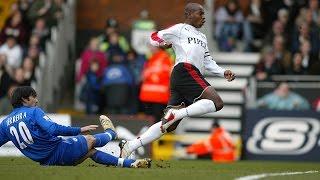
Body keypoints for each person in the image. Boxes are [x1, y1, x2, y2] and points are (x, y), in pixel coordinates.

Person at [119, 2, 236, 158]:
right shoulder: (179, 29)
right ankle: (178, 114)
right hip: (185, 70)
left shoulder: (202, 36)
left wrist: (223, 72)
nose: (203, 17)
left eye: (204, 14)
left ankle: (130, 145)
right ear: (188, 14)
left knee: (168, 126)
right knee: (217, 102)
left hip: (183, 76)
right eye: (200, 13)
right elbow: (154, 37)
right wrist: (163, 44)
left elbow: (208, 61)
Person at [0, 86, 151, 168]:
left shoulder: (5, 124)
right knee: (89, 139)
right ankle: (112, 133)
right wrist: (79, 130)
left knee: (91, 152)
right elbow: (53, 130)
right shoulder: (33, 112)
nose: (37, 101)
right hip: (58, 151)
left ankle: (131, 164)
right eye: (34, 97)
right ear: (25, 99)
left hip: (46, 162)